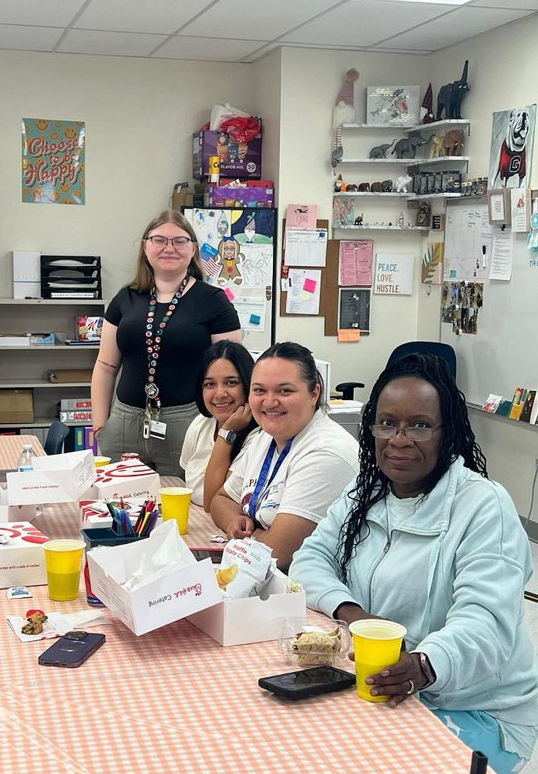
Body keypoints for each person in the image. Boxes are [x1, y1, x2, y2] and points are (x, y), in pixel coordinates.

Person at [290, 352, 538, 774]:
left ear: (448, 433)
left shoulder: (483, 506)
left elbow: (487, 623)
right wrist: (356, 617)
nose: (400, 440)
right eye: (387, 423)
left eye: (420, 425)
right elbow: (309, 560)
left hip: (477, 709)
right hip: (389, 686)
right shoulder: (367, 491)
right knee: (306, 747)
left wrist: (424, 665)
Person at [92, 210, 242, 476]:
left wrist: (226, 429)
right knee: (122, 508)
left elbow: (233, 375)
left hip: (188, 422)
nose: (169, 248)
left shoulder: (214, 301)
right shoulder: (124, 299)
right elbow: (105, 366)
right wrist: (100, 424)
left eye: (179, 241)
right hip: (124, 423)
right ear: (145, 247)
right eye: (159, 240)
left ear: (193, 248)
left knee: (186, 507)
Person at [210, 342, 359, 571]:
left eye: (284, 391)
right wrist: (234, 521)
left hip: (310, 594)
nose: (269, 402)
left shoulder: (325, 452)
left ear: (314, 393)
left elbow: (276, 555)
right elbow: (220, 500)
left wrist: (251, 538)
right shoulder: (264, 437)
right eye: (259, 390)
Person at [179, 340, 257, 509]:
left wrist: (227, 432)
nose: (220, 393)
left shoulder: (258, 438)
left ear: (248, 385)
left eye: (231, 382)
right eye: (210, 384)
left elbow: (213, 504)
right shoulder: (201, 423)